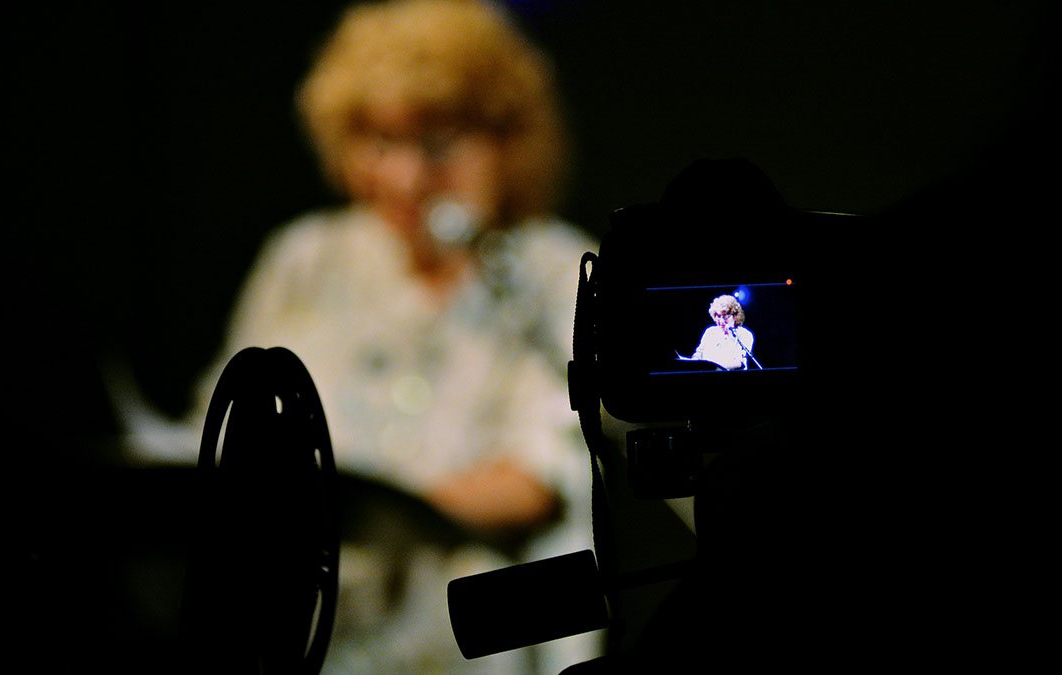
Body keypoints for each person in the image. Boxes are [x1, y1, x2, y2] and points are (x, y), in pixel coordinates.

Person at [183, 1, 599, 672]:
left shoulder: (555, 273)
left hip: (475, 644)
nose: (406, 178)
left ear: (506, 142)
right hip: (322, 640)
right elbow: (230, 432)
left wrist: (350, 513)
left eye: (438, 144)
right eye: (379, 142)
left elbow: (540, 477)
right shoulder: (306, 260)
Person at [691, 295, 755, 370]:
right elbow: (698, 354)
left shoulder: (745, 334)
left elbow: (739, 362)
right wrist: (693, 363)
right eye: (718, 316)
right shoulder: (710, 332)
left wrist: (715, 367)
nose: (721, 321)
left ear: (735, 316)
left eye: (725, 317)